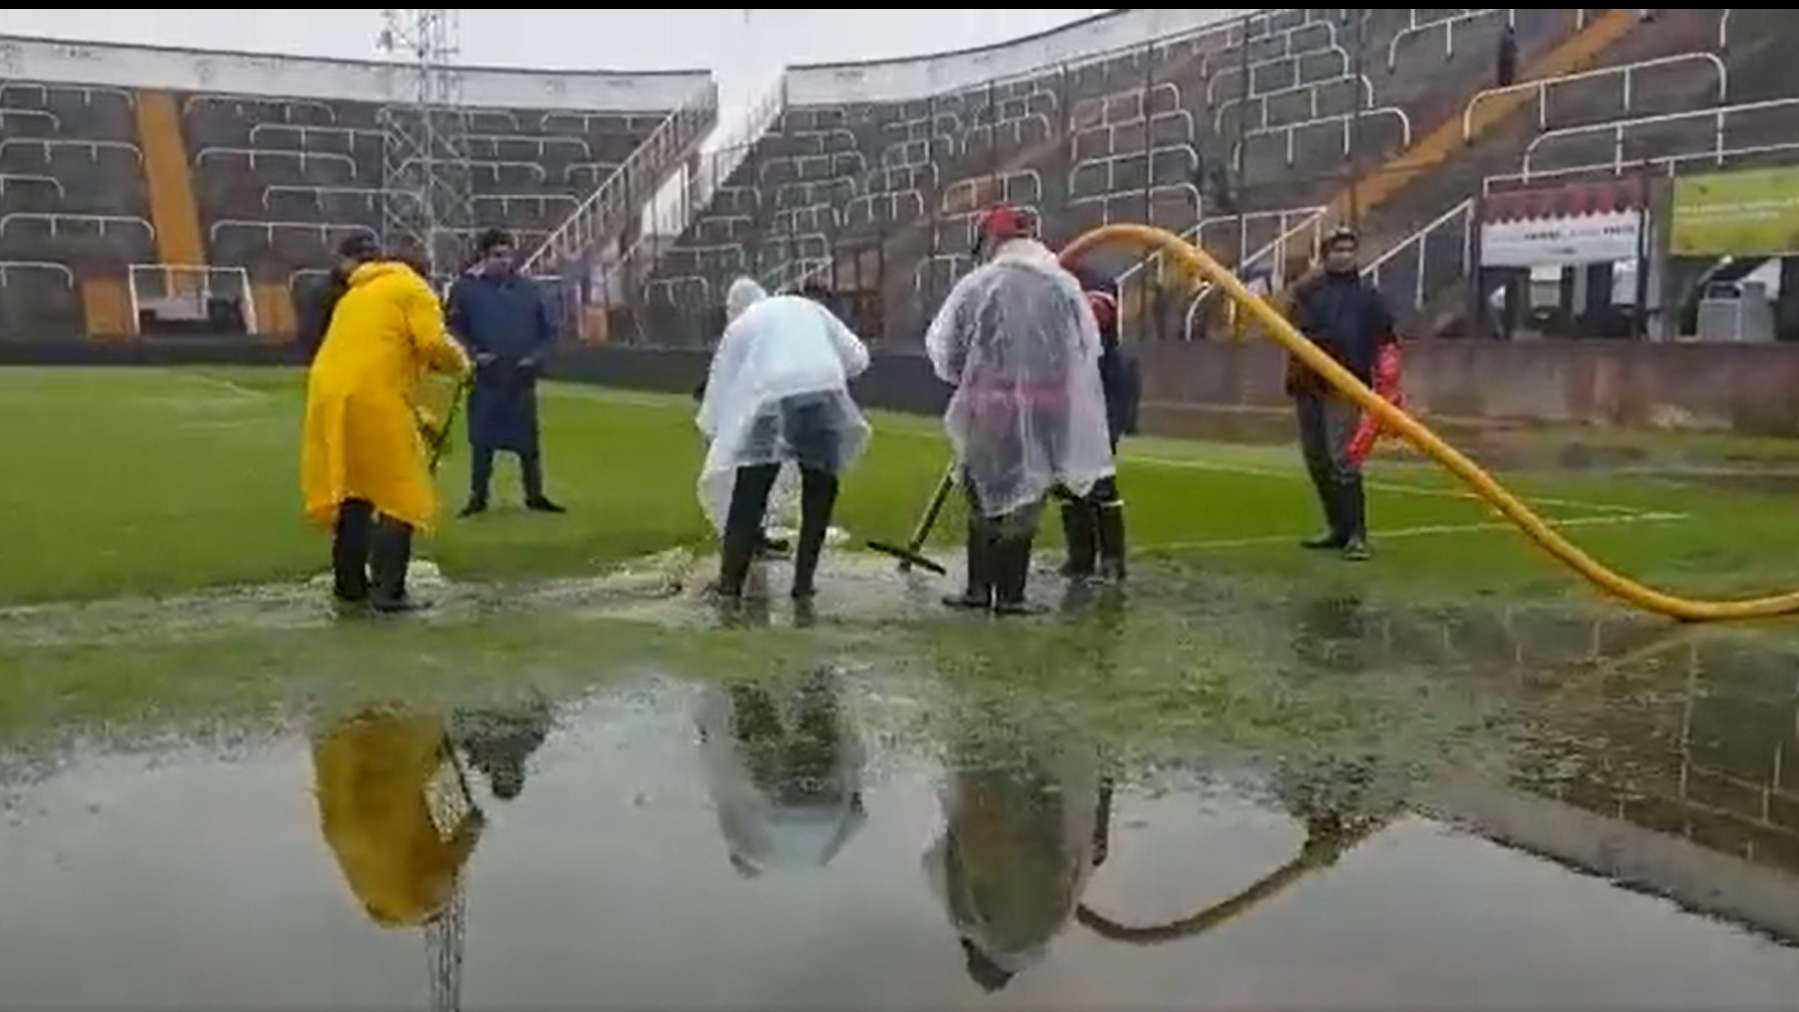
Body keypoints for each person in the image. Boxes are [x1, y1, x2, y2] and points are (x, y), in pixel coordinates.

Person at [927, 204, 1114, 615]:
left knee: (982, 496)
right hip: (1048, 407)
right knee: (1027, 494)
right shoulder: (1061, 286)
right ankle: (1011, 594)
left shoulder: (976, 286)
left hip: (988, 409)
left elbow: (946, 349)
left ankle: (978, 588)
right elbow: (1088, 348)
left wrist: (972, 379)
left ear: (990, 241)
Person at [302, 252, 472, 612]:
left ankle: (349, 586)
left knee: (355, 491)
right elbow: (431, 341)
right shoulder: (413, 289)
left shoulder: (357, 293)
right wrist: (463, 364)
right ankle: (388, 591)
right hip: (373, 396)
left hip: (328, 395)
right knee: (401, 492)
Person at [697, 277, 871, 601]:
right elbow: (858, 358)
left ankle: (730, 584)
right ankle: (803, 584)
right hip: (822, 394)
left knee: (750, 491)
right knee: (820, 490)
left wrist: (714, 430)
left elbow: (721, 383)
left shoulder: (743, 325)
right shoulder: (812, 310)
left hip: (770, 397)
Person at [1284, 226, 1398, 562]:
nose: (1344, 255)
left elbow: (1385, 339)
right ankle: (1337, 528)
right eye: (1337, 248)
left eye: (1349, 248)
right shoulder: (1309, 292)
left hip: (1345, 385)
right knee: (1316, 458)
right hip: (1308, 382)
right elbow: (1293, 324)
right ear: (1325, 254)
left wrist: (1387, 381)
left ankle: (1357, 534)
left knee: (1343, 459)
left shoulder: (1368, 296)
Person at [449, 228, 565, 517]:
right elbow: (453, 329)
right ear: (483, 257)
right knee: (482, 441)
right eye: (497, 255)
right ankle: (478, 497)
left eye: (507, 255)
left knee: (528, 442)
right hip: (486, 377)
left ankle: (534, 495)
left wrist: (534, 358)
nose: (503, 261)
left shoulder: (529, 290)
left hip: (520, 377)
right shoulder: (465, 290)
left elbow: (548, 331)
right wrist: (474, 355)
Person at [1055, 288, 1138, 583]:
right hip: (1072, 433)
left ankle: (1112, 561)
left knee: (1102, 493)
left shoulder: (1113, 358)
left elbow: (1119, 401)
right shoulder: (1072, 353)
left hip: (1098, 436)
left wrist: (1109, 433)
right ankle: (1081, 559)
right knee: (1072, 492)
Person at [300, 233, 382, 359]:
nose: (366, 267)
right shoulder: (324, 291)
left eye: (372, 261)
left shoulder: (384, 287)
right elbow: (313, 334)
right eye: (361, 261)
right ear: (342, 260)